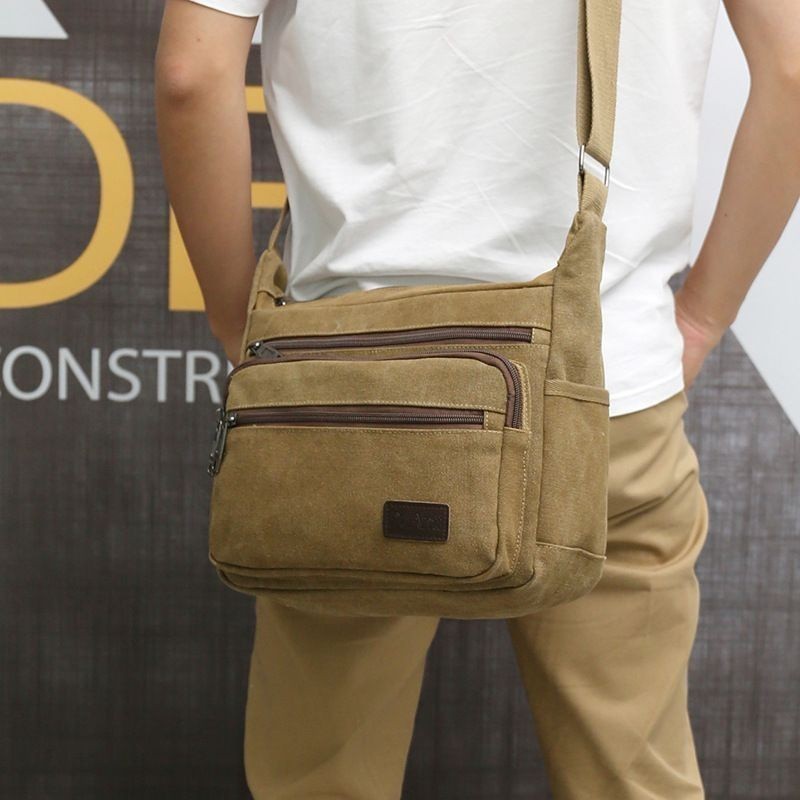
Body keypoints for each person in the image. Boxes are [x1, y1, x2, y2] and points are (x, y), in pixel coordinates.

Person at [154, 1, 800, 797]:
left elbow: (190, 74)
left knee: (320, 780)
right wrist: (700, 317)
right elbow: (792, 69)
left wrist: (238, 325)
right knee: (634, 781)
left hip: (349, 405)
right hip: (606, 387)